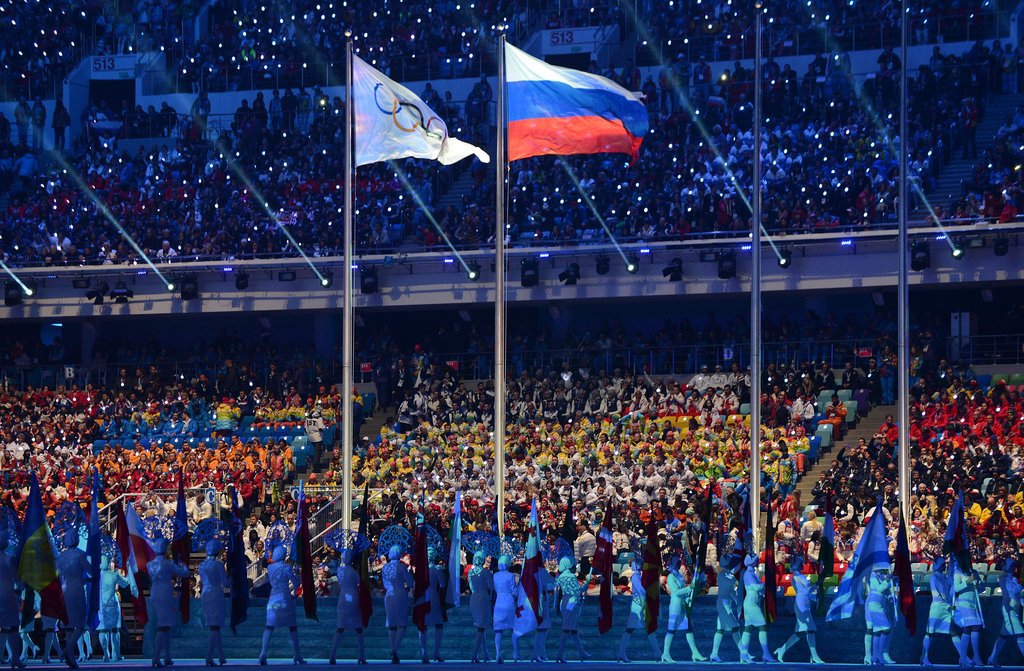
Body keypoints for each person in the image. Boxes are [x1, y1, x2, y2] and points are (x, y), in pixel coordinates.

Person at [258, 544, 305, 665]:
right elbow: (296, 584)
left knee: (269, 627)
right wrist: (297, 574)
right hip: (285, 599)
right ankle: (298, 655)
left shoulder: (270, 568)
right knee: (292, 628)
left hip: (273, 599)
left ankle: (263, 653)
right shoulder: (287, 568)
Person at [148, 536, 190, 668]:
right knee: (164, 626)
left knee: (165, 626)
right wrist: (181, 562)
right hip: (165, 593)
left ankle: (167, 656)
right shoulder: (168, 563)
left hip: (155, 592)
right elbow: (184, 573)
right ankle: (156, 657)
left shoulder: (150, 564)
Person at [773, 555, 824, 663]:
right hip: (801, 604)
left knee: (801, 632)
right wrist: (817, 584)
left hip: (805, 603)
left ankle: (782, 650)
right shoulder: (795, 577)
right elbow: (805, 591)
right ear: (796, 565)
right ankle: (814, 656)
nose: (802, 565)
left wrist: (816, 585)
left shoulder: (801, 576)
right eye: (800, 563)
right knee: (810, 629)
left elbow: (808, 590)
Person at [56, 527, 91, 669]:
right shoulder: (80, 555)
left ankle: (71, 658)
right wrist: (89, 579)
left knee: (69, 626)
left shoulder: (61, 556)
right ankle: (67, 651)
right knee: (81, 624)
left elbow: (58, 575)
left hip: (65, 590)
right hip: (77, 589)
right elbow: (92, 572)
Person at [661, 556, 705, 662]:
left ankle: (695, 653)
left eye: (679, 562)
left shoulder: (679, 576)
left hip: (683, 605)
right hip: (676, 606)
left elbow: (685, 590)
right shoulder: (671, 577)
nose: (679, 564)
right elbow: (676, 592)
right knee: (671, 629)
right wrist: (690, 588)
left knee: (689, 628)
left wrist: (694, 588)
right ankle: (665, 654)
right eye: (677, 562)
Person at [617, 555, 660, 662]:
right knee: (631, 628)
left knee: (646, 628)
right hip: (638, 605)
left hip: (640, 604)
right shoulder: (635, 576)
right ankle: (621, 653)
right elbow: (641, 591)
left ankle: (658, 653)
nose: (632, 566)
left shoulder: (639, 575)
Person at [329, 548, 366, 665]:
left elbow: (340, 583)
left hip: (343, 597)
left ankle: (332, 655)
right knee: (358, 628)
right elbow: (359, 583)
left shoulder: (340, 570)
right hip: (353, 596)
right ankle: (361, 656)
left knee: (340, 626)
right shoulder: (354, 572)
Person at [921, 555, 958, 666]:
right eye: (942, 564)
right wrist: (947, 604)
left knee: (953, 631)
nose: (944, 566)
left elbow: (951, 590)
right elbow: (937, 595)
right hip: (937, 608)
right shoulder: (934, 577)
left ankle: (963, 657)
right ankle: (924, 657)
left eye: (944, 564)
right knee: (930, 633)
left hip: (946, 608)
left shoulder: (945, 577)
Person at [98, 551, 135, 662]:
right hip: (112, 604)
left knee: (102, 630)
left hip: (100, 604)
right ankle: (116, 655)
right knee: (114, 629)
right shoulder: (114, 575)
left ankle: (105, 654)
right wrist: (130, 570)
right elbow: (126, 583)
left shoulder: (95, 576)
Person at [198, 540, 229, 667]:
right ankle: (209, 657)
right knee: (215, 627)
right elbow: (226, 583)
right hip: (216, 593)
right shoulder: (218, 564)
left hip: (205, 593)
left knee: (214, 626)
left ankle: (221, 656)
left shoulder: (201, 565)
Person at [989, 557, 1024, 666]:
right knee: (1020, 634)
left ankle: (992, 658)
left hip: (1014, 609)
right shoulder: (1002, 577)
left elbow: (1018, 596)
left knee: (1003, 636)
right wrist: (1021, 586)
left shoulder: (1013, 579)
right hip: (1008, 609)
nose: (1013, 567)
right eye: (1011, 565)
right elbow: (1009, 592)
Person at [382, 545, 413, 664]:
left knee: (392, 624)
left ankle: (393, 651)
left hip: (389, 595)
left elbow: (385, 584)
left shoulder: (385, 567)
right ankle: (395, 650)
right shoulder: (402, 567)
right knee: (403, 624)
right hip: (400, 594)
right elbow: (409, 582)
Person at [739, 552, 773, 663]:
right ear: (752, 562)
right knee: (762, 626)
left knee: (748, 629)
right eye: (757, 560)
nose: (758, 561)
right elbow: (755, 587)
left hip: (751, 603)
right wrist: (765, 584)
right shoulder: (748, 574)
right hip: (752, 604)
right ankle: (766, 653)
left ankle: (744, 654)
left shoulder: (751, 573)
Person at [710, 553, 742, 662]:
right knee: (735, 626)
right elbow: (731, 583)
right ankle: (743, 653)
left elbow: (732, 592)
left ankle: (714, 654)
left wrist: (737, 601)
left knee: (720, 629)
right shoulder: (722, 575)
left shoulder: (729, 575)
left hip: (726, 603)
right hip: (723, 604)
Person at [555, 556, 588, 663]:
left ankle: (582, 653)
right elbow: (578, 590)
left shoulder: (560, 577)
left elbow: (556, 591)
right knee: (566, 629)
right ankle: (559, 655)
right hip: (571, 602)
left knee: (573, 630)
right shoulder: (571, 576)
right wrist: (586, 584)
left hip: (564, 602)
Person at [952, 562, 984, 667]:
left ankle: (963, 658)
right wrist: (969, 580)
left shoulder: (974, 572)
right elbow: (956, 588)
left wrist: (979, 585)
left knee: (970, 628)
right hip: (964, 603)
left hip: (974, 602)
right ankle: (975, 656)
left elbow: (982, 588)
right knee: (974, 626)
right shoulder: (958, 572)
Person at [0, 534, 23, 669]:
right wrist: (20, 589)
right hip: (7, 595)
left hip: (6, 594)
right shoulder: (9, 559)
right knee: (13, 627)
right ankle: (15, 658)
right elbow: (17, 579)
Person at [864, 567, 896, 665]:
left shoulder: (881, 575)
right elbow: (879, 589)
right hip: (873, 603)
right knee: (877, 628)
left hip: (881, 604)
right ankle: (870, 655)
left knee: (878, 630)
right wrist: (887, 580)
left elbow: (885, 591)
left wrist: (891, 596)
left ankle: (877, 656)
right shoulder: (873, 575)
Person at [420, 548, 447, 664]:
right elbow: (442, 584)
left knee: (425, 625)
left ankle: (425, 653)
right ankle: (434, 653)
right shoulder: (436, 569)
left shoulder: (422, 570)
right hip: (433, 597)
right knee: (437, 624)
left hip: (424, 597)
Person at [468, 551, 494, 662]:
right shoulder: (486, 572)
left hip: (473, 598)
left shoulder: (470, 572)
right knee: (481, 627)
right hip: (483, 598)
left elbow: (471, 587)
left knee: (480, 626)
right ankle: (474, 653)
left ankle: (485, 653)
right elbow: (491, 587)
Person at [492, 555, 518, 663]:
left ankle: (498, 653)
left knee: (498, 631)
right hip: (509, 602)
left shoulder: (495, 576)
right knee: (513, 629)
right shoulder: (511, 575)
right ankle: (516, 653)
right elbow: (514, 590)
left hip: (499, 602)